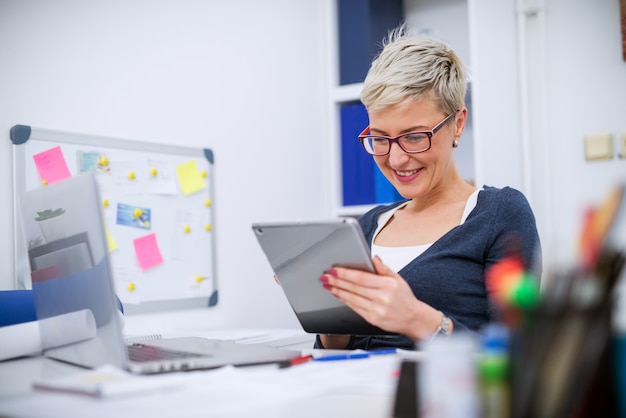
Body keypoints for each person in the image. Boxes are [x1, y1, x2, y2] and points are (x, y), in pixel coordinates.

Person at [316, 27, 541, 350]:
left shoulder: (499, 214)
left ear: (458, 123)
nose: (396, 158)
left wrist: (418, 320)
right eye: (380, 138)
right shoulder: (367, 226)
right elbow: (337, 353)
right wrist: (329, 318)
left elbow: (519, 355)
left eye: (414, 137)